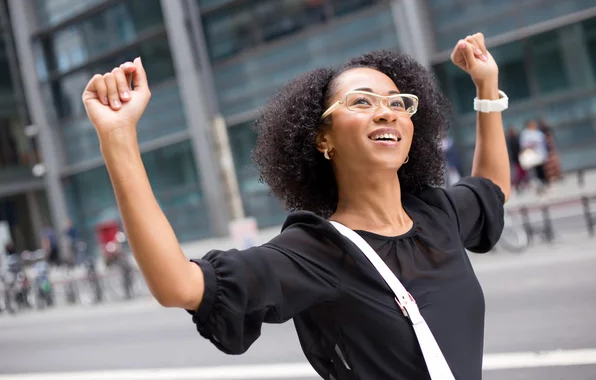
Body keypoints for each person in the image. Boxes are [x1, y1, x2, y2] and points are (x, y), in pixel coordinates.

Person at [82, 33, 510, 379]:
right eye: (362, 102)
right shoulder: (316, 251)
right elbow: (179, 285)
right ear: (322, 138)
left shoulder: (438, 214)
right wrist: (118, 139)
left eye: (398, 103)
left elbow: (491, 189)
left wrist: (486, 87)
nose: (387, 113)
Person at [519, 119, 548, 192]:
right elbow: (524, 144)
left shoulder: (538, 132)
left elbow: (543, 143)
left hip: (540, 154)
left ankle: (543, 183)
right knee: (533, 171)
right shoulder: (525, 133)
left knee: (541, 170)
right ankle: (537, 185)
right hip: (531, 155)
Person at [506, 125, 527, 192]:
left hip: (519, 157)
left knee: (521, 171)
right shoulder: (510, 140)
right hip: (516, 158)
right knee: (519, 172)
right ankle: (518, 184)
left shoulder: (516, 138)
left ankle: (521, 183)